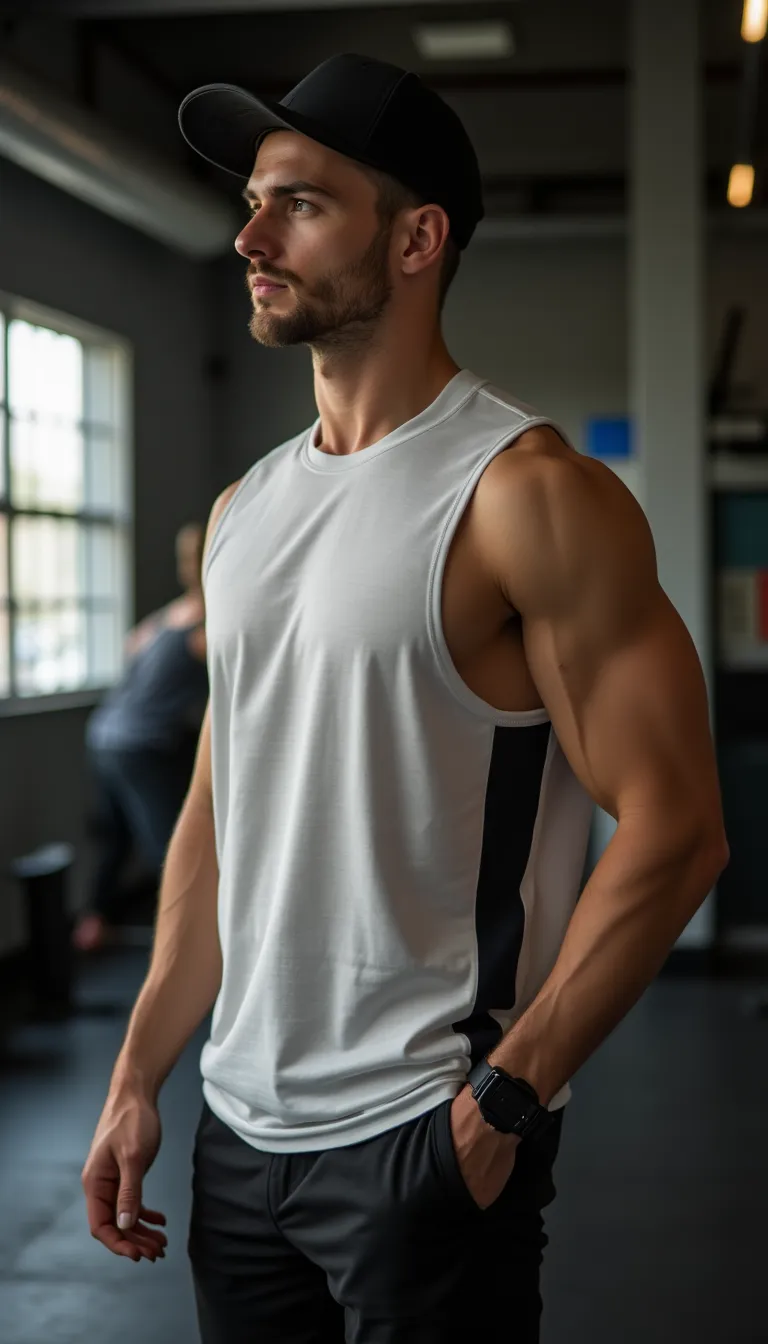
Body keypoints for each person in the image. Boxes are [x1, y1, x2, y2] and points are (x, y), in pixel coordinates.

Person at [81, 53, 729, 1344]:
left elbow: (678, 828)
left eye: (301, 204)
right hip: (237, 1138)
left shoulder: (526, 496)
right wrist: (140, 1070)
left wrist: (507, 1101)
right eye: (254, 199)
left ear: (419, 237)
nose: (250, 234)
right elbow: (220, 821)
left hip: (424, 1141)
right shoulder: (245, 512)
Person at [72, 523, 208, 953]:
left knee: (116, 837)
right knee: (170, 846)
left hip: (105, 733)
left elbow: (133, 648)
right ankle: (182, 945)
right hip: (140, 744)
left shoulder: (164, 617)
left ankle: (93, 920)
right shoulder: (209, 626)